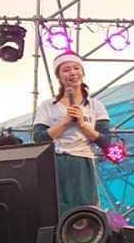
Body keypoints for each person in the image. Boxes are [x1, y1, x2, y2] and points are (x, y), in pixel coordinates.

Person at [32, 52, 111, 214]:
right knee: (55, 209)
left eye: (76, 68)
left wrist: (83, 124)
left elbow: (105, 141)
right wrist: (65, 121)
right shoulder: (48, 105)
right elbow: (38, 138)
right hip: (55, 162)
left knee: (84, 210)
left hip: (82, 161)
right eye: (66, 70)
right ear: (59, 76)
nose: (73, 73)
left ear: (82, 72)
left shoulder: (95, 105)